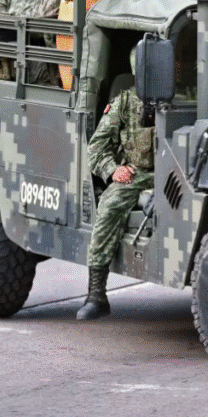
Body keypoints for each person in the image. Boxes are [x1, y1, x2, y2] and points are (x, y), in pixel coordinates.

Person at [77, 49, 155, 320]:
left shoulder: (185, 99)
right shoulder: (124, 102)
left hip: (176, 172)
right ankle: (96, 295)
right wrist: (113, 171)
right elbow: (97, 147)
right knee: (109, 208)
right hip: (138, 174)